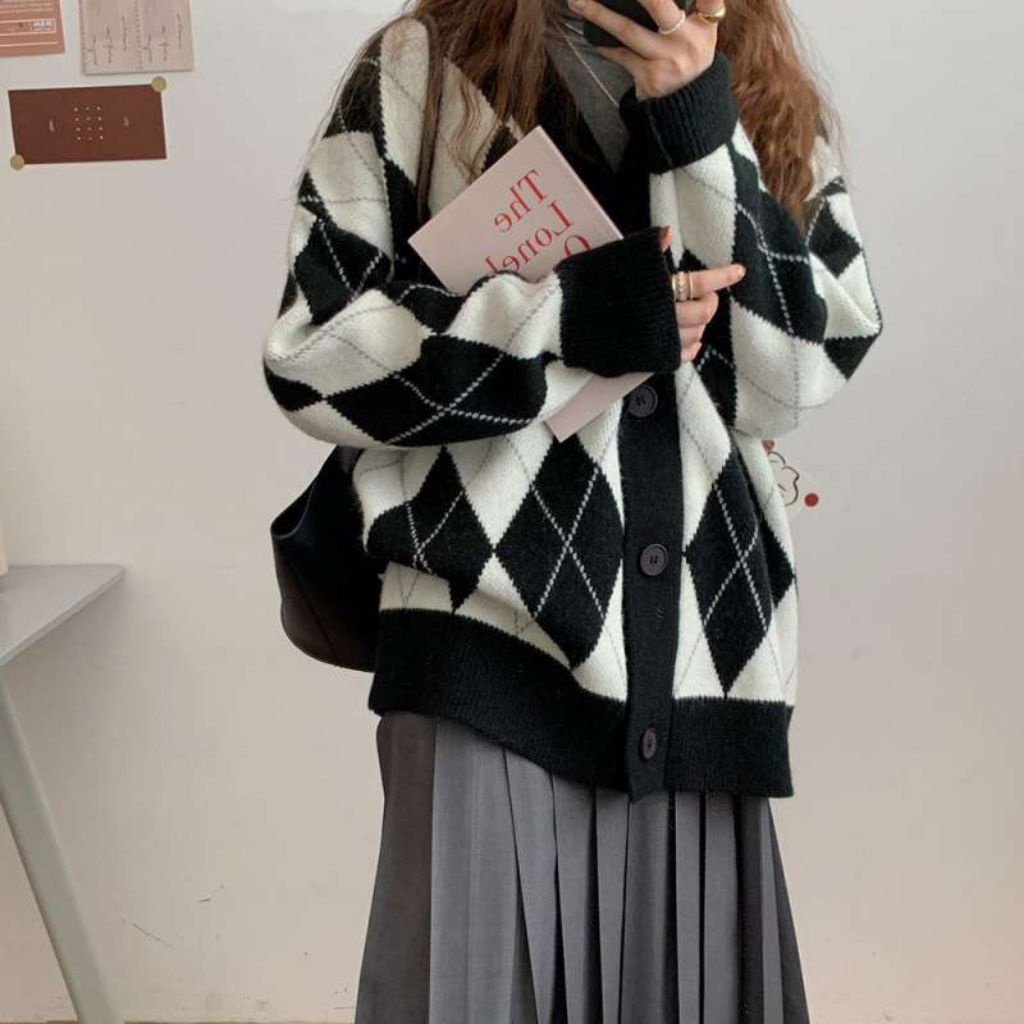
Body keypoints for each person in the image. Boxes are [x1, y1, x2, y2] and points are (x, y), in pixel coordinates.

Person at [261, 0, 883, 1018]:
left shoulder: (761, 91)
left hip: (698, 664)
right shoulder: (426, 65)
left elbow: (793, 377)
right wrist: (560, 318)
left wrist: (696, 115)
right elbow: (313, 355)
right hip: (480, 647)